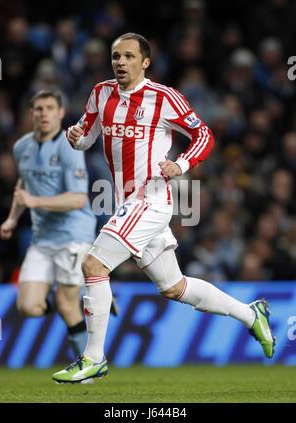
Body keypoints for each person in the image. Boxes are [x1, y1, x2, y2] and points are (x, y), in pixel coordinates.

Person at [52, 33, 275, 384]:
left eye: (128, 56)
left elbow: (203, 135)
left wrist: (181, 165)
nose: (120, 62)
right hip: (126, 201)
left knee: (94, 264)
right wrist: (76, 136)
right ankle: (251, 315)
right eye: (115, 57)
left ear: (145, 62)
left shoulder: (164, 98)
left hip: (151, 199)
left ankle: (93, 358)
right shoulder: (101, 93)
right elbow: (88, 135)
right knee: (174, 287)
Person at [0, 89, 117, 360]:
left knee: (66, 306)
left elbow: (76, 200)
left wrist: (35, 202)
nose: (44, 114)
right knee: (28, 306)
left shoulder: (69, 147)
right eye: (39, 109)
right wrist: (12, 218)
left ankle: (89, 370)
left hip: (73, 234)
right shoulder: (22, 147)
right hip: (42, 238)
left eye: (50, 108)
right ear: (32, 114)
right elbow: (24, 184)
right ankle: (86, 294)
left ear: (60, 113)